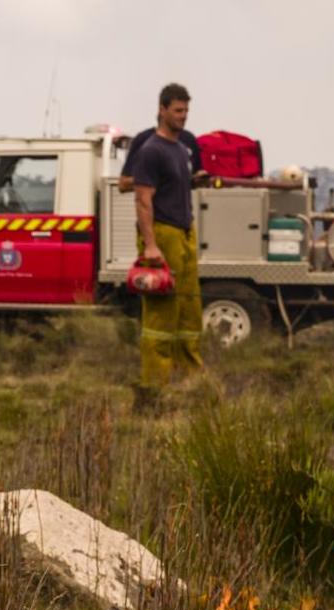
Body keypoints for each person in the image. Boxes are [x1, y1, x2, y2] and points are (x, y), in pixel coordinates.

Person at [129, 82, 203, 404]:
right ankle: (154, 391)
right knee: (161, 316)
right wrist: (151, 246)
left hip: (185, 233)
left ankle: (191, 384)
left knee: (188, 312)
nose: (183, 117)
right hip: (163, 235)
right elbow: (143, 200)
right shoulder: (151, 150)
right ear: (162, 109)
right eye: (177, 111)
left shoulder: (181, 150)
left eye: (186, 110)